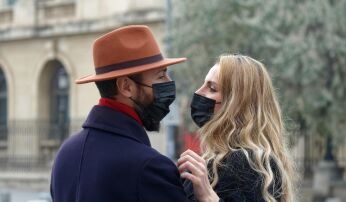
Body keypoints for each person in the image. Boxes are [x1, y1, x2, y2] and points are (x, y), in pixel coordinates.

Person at [50, 25, 189, 201]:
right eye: (161, 76)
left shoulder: (65, 154)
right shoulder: (150, 167)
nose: (169, 83)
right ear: (126, 87)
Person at [177, 54, 296, 202]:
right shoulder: (218, 158)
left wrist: (209, 198)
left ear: (237, 104)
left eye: (212, 89)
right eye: (203, 84)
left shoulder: (248, 162)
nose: (198, 93)